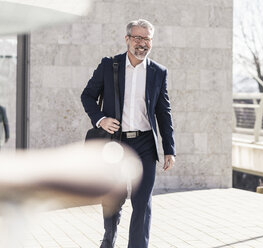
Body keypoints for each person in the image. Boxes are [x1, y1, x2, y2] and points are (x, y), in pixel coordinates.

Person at [81, 19, 176, 248]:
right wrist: (101, 119)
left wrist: (169, 149)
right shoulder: (109, 65)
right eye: (138, 38)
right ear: (127, 39)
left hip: (145, 143)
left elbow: (164, 113)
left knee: (142, 203)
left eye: (147, 39)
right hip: (116, 143)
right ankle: (109, 235)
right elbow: (87, 96)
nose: (142, 44)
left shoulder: (158, 72)